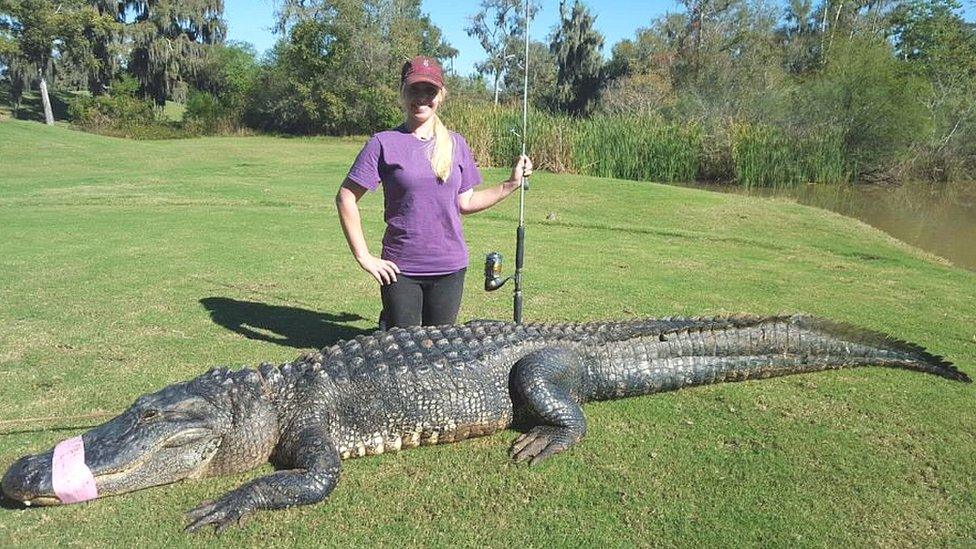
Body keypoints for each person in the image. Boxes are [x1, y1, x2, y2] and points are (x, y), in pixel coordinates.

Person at [336, 56, 532, 329]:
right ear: (402, 92)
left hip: (450, 268)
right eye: (414, 89)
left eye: (430, 90)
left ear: (441, 95)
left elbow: (466, 201)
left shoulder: (456, 143)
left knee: (439, 352)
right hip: (400, 269)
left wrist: (510, 184)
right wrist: (364, 257)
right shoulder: (383, 143)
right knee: (402, 348)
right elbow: (346, 197)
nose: (421, 98)